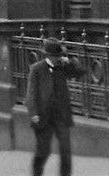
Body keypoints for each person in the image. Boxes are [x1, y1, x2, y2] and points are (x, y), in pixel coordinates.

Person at [26, 37, 86, 176]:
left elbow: (81, 72)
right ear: (48, 55)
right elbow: (31, 93)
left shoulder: (63, 67)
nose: (56, 59)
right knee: (43, 150)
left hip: (61, 116)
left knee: (66, 150)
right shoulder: (37, 69)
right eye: (54, 56)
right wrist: (33, 113)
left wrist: (70, 61)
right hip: (43, 116)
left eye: (58, 56)